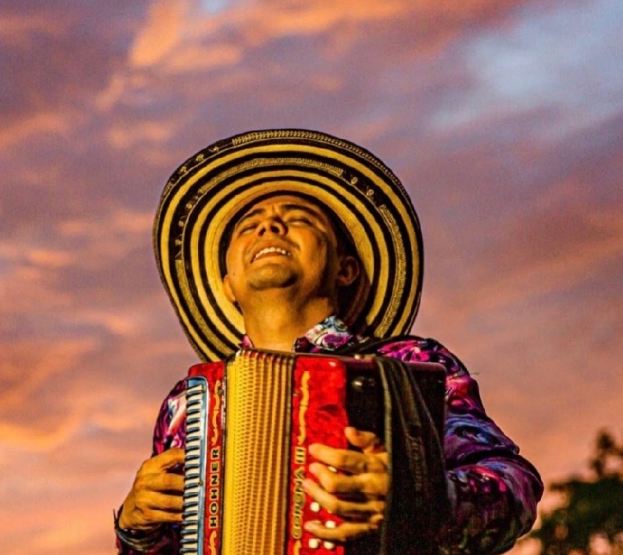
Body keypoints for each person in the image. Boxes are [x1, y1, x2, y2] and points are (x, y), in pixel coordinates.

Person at [115, 129, 543, 554]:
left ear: (346, 270)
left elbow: (515, 482)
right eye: (248, 225)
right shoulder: (187, 406)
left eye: (299, 218)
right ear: (227, 285)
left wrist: (424, 498)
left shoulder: (410, 364)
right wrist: (136, 529)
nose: (270, 224)